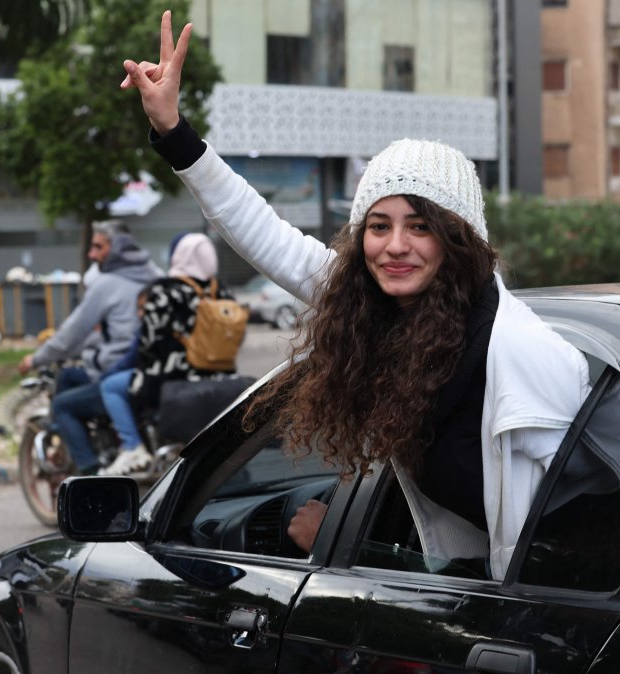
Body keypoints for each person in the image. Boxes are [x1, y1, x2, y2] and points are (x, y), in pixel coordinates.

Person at [121, 12, 590, 579]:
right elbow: (265, 235)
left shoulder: (521, 353)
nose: (395, 246)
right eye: (378, 225)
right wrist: (174, 132)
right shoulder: (379, 310)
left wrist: (359, 551)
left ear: (458, 240)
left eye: (420, 226)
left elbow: (571, 540)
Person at [17, 227, 160, 474]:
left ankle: (88, 473)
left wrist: (37, 358)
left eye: (99, 247)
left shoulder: (107, 283)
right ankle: (81, 443)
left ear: (115, 250)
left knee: (63, 405)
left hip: (123, 374)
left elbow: (74, 331)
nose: (92, 254)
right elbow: (103, 334)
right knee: (69, 376)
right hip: (151, 368)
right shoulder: (155, 275)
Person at [98, 232, 239, 475]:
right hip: (217, 377)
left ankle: (132, 447)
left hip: (167, 380)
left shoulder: (164, 291)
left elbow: (147, 345)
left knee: (111, 385)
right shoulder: (222, 292)